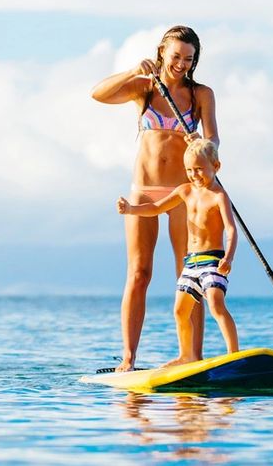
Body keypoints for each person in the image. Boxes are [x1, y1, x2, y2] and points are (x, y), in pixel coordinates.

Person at [90, 25, 220, 372]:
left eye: (188, 59)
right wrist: (133, 70)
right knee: (139, 273)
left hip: (184, 194)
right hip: (144, 190)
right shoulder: (144, 89)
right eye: (176, 56)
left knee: (189, 274)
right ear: (162, 52)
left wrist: (201, 145)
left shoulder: (201, 95)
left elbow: (215, 142)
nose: (181, 64)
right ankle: (129, 359)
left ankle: (192, 355)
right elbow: (98, 94)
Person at [116, 139, 238, 366]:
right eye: (190, 170)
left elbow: (231, 229)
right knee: (180, 311)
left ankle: (234, 356)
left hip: (213, 260)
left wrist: (228, 257)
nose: (194, 174)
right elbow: (156, 207)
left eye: (199, 169)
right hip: (190, 263)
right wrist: (131, 209)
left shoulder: (219, 196)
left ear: (216, 167)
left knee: (215, 303)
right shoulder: (185, 191)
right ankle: (186, 355)